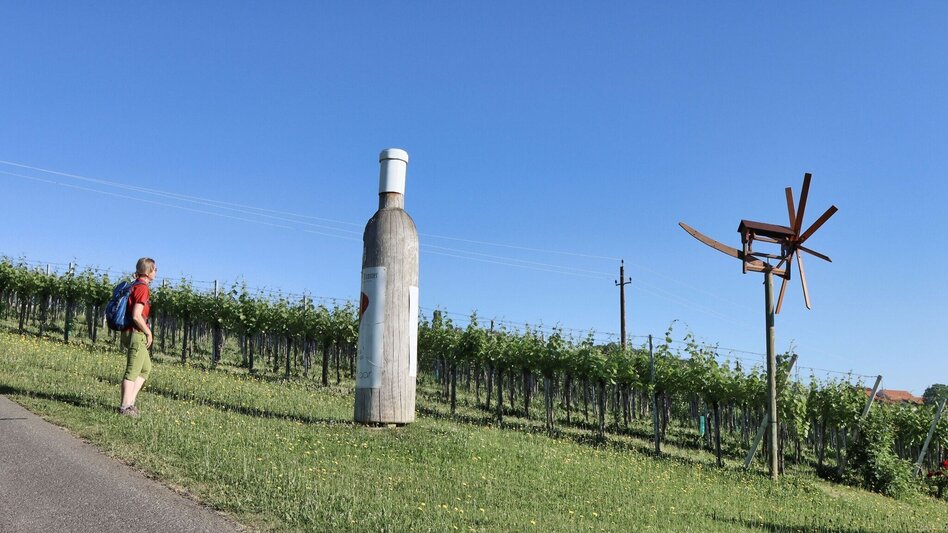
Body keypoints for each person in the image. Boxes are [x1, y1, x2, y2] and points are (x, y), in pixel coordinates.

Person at [119, 257, 156, 417]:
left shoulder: (134, 285)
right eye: (155, 269)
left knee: (145, 369)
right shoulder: (142, 288)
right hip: (136, 334)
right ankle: (125, 407)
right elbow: (136, 315)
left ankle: (130, 403)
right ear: (149, 271)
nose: (156, 272)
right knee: (132, 371)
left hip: (129, 332)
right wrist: (148, 331)